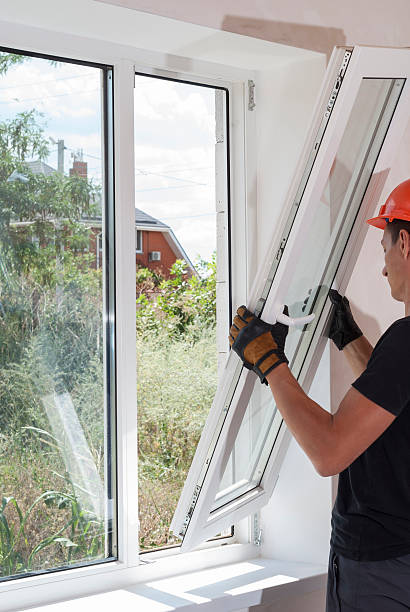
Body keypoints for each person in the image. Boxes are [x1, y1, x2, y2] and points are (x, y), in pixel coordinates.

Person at [229, 178, 410, 611]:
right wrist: (349, 339)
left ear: (404, 242)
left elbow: (329, 451)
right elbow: (392, 406)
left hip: (380, 565)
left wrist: (269, 361)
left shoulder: (406, 342)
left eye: (383, 249)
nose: (383, 268)